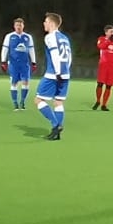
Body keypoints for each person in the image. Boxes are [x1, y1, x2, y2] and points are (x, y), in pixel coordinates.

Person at [35, 11, 73, 141]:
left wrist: (58, 72)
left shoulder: (50, 37)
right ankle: (57, 134)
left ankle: (56, 125)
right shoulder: (64, 38)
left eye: (46, 21)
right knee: (58, 102)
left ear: (51, 23)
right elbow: (69, 57)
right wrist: (65, 71)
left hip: (53, 74)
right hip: (66, 74)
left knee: (38, 100)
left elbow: (55, 54)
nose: (44, 23)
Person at [0, 17, 36, 110]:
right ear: (14, 26)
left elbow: (31, 50)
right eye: (17, 25)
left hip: (25, 64)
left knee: (26, 82)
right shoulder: (9, 36)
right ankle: (15, 103)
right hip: (13, 63)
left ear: (23, 26)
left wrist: (33, 62)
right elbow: (5, 49)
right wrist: (3, 61)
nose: (18, 27)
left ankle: (22, 101)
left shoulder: (28, 37)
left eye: (20, 25)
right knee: (14, 83)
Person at [91, 25, 113, 110]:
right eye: (111, 32)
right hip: (103, 65)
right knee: (100, 83)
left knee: (109, 85)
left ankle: (104, 105)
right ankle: (98, 101)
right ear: (106, 33)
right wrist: (108, 41)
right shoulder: (101, 39)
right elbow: (100, 46)